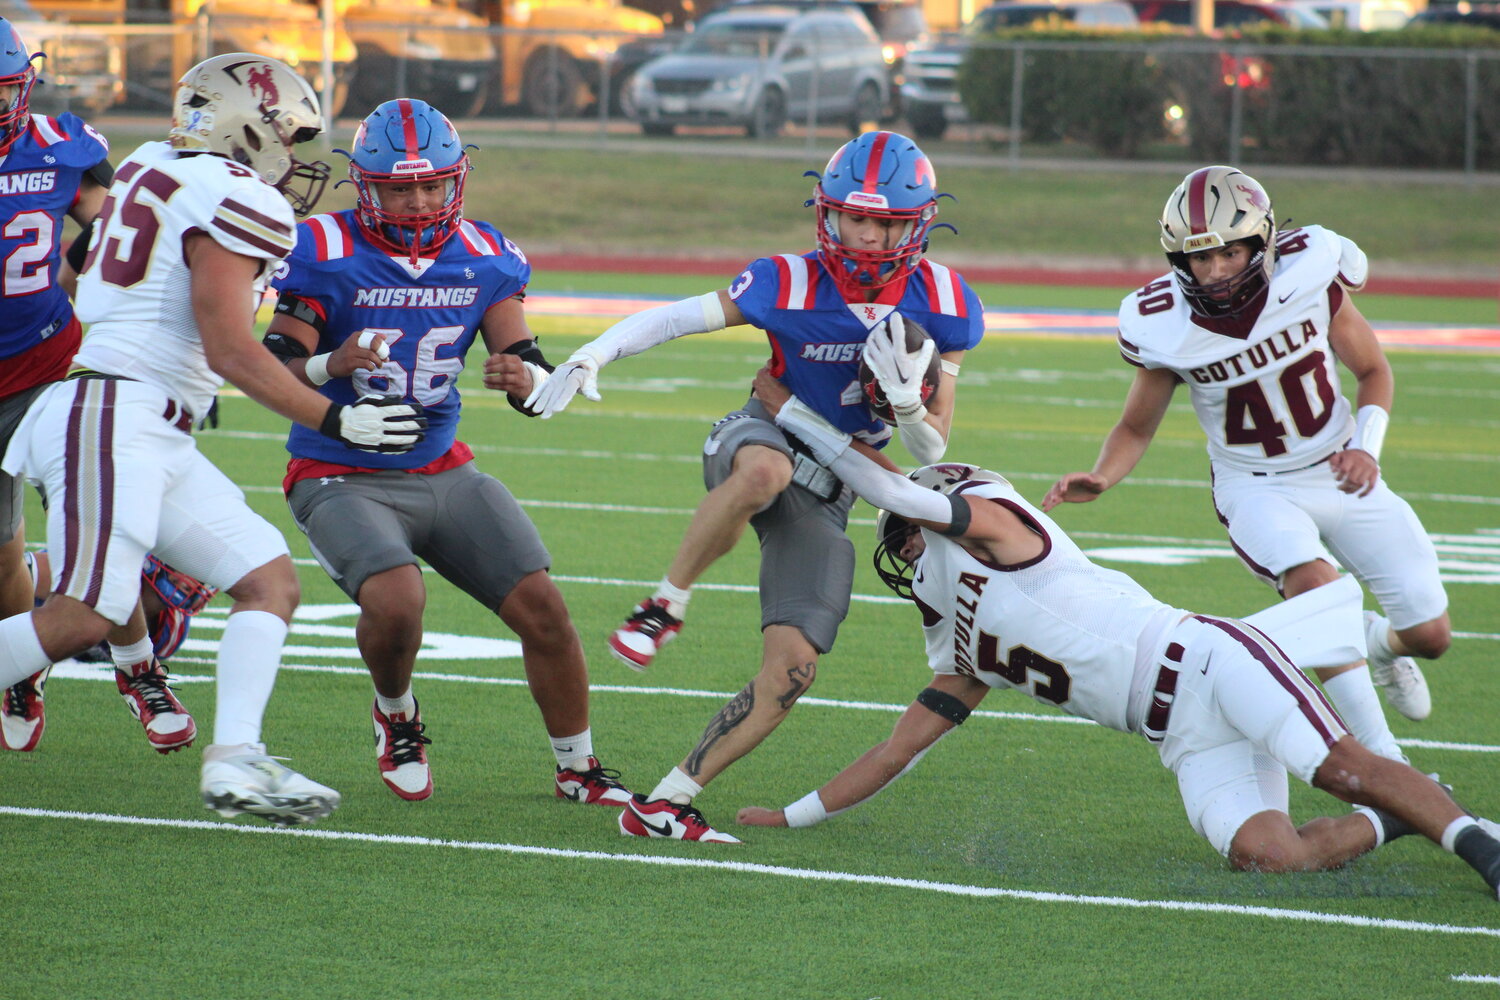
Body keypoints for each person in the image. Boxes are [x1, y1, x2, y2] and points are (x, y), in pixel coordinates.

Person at [737, 385, 1500, 900]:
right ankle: (1401, 813)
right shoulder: (959, 652)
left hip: (1207, 663)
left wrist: (799, 415)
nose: (905, 554)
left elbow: (901, 490)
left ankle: (1480, 850)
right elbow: (894, 752)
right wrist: (794, 815)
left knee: (1343, 768)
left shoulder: (999, 529)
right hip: (1181, 735)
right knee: (1266, 856)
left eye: (907, 539)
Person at [0, 53, 427, 825]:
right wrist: (330, 415)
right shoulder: (231, 194)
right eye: (286, 136)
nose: (294, 160)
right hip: (116, 415)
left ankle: (235, 761)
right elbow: (231, 347)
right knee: (83, 616)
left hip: (145, 421)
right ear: (245, 127)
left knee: (269, 579)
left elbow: (93, 266)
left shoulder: (155, 162)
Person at [526, 130, 985, 841]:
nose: (863, 235)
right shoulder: (788, 279)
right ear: (826, 213)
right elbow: (679, 317)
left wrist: (903, 403)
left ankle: (665, 803)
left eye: (883, 221)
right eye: (851, 217)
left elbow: (932, 444)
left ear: (916, 224)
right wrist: (596, 351)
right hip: (762, 435)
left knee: (795, 669)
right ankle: (663, 605)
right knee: (766, 472)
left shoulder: (949, 300)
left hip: (837, 483)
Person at [262, 98, 630, 806]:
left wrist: (526, 380)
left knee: (545, 609)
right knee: (398, 601)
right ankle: (395, 714)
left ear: (456, 179)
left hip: (441, 466)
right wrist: (330, 365)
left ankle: (578, 769)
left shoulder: (487, 255)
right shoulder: (325, 251)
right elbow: (274, 367)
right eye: (400, 188)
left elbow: (526, 362)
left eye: (432, 184)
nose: (419, 200)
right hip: (338, 471)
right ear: (365, 185)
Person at [1042, 165, 1446, 751]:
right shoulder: (1165, 325)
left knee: (1431, 634)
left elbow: (1373, 370)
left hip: (1340, 468)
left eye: (1229, 253)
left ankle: (1380, 644)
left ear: (1262, 241)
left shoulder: (1310, 274)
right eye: (1199, 259)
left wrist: (1367, 448)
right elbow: (1135, 425)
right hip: (1256, 486)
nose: (1215, 271)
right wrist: (1102, 475)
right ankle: (1386, 764)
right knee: (1316, 590)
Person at [0, 18, 193, 756]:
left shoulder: (59, 146)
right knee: (3, 553)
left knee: (96, 528)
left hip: (49, 371)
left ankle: (139, 668)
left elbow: (112, 228)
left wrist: (76, 273)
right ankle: (23, 670)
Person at [1, 549, 214, 753]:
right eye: (185, 566)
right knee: (91, 569)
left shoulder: (168, 632)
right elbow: (17, 571)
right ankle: (26, 672)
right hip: (39, 613)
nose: (194, 578)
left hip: (93, 636)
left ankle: (141, 677)